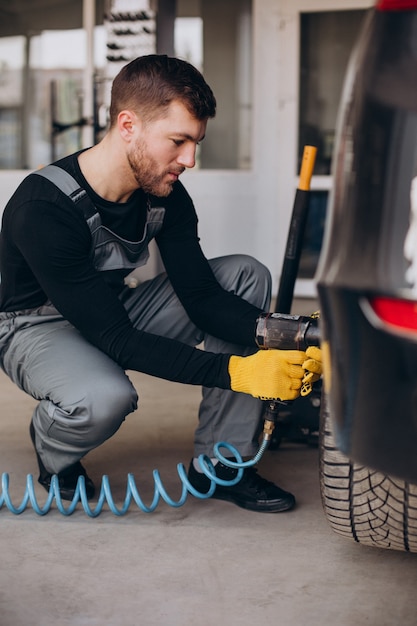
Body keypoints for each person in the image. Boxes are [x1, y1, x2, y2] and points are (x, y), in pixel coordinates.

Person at [0, 55, 321, 513]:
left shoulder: (164, 194)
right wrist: (240, 371)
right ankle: (55, 446)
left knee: (244, 273)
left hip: (111, 308)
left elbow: (203, 298)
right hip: (33, 327)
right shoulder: (43, 207)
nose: (189, 159)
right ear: (128, 124)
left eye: (196, 142)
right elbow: (118, 340)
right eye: (178, 141)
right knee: (104, 397)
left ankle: (222, 462)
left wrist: (293, 335)